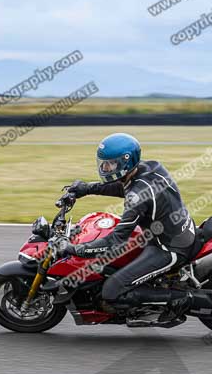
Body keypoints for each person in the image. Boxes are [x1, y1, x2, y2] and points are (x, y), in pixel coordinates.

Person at [53, 132, 197, 322]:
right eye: (103, 163)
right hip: (175, 229)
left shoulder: (137, 197)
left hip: (169, 247)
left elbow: (116, 240)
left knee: (112, 290)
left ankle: (182, 298)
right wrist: (87, 189)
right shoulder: (150, 168)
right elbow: (124, 187)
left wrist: (75, 249)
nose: (105, 168)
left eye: (110, 163)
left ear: (126, 162)